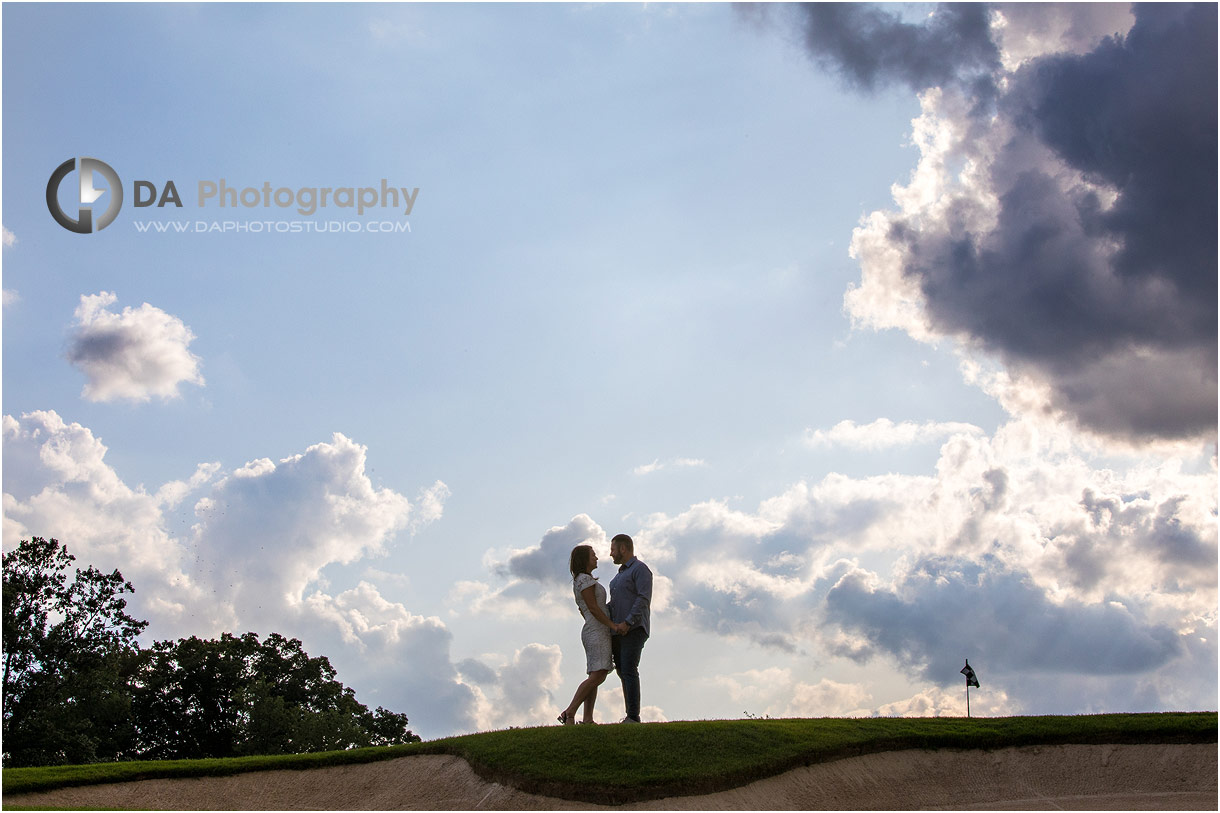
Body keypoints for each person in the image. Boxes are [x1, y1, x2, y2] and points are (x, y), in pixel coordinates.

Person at [558, 544, 617, 725]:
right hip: (597, 630)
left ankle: (588, 718)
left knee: (595, 675)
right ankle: (569, 712)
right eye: (593, 555)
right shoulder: (584, 580)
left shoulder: (583, 580)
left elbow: (582, 608)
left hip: (595, 629)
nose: (597, 558)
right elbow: (592, 607)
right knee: (599, 674)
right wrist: (612, 625)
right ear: (584, 559)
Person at [608, 533, 651, 724]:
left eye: (612, 549)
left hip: (633, 629)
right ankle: (630, 714)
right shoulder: (618, 577)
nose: (611, 554)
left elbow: (643, 598)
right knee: (622, 670)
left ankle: (633, 716)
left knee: (628, 668)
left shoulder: (640, 570)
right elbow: (614, 604)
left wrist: (628, 622)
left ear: (622, 548)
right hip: (617, 630)